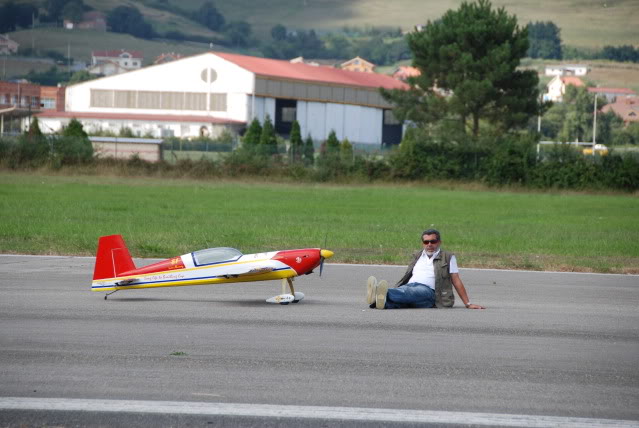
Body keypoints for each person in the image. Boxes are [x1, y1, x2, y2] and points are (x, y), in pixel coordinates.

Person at [366, 229, 485, 310]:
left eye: (433, 241)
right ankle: (381, 301)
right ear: (423, 243)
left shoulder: (448, 257)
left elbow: (456, 280)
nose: (429, 244)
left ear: (439, 242)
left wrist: (468, 304)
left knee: (408, 293)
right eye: (426, 242)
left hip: (430, 292)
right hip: (411, 286)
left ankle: (379, 292)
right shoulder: (417, 255)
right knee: (404, 299)